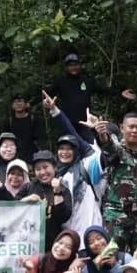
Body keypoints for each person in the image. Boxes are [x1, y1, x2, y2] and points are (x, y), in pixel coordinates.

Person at [93, 111, 137, 251]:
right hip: (117, 217)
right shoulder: (118, 151)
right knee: (113, 259)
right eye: (131, 127)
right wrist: (102, 135)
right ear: (122, 128)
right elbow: (109, 148)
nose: (134, 130)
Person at [44, 90, 105, 236]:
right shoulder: (54, 175)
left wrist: (55, 111)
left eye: (69, 149)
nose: (65, 152)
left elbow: (72, 133)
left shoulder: (87, 167)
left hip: (91, 234)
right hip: (67, 238)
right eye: (61, 148)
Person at [47, 53, 136, 142]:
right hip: (67, 123)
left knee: (90, 148)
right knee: (68, 147)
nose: (73, 67)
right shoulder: (60, 81)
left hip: (86, 124)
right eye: (70, 65)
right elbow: (46, 94)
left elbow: (103, 89)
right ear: (66, 67)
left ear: (79, 65)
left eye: (75, 65)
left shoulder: (87, 81)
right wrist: (35, 103)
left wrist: (120, 93)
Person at [28, 152, 73, 246]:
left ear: (55, 168)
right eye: (38, 169)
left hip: (53, 245)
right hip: (29, 243)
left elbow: (63, 218)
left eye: (45, 167)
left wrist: (57, 192)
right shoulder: (29, 187)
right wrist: (26, 201)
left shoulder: (63, 190)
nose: (42, 172)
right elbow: (13, 209)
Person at [0, 95, 44, 162]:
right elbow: (1, 139)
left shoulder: (34, 120)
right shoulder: (8, 122)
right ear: (12, 105)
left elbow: (41, 139)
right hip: (13, 158)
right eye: (15, 102)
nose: (18, 104)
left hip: (31, 157)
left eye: (20, 101)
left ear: (26, 104)